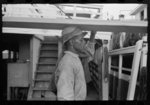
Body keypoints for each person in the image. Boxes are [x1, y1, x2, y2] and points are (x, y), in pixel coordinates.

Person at [53, 26, 96, 100]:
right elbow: (64, 96)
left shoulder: (74, 57)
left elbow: (89, 52)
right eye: (81, 40)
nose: (84, 42)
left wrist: (92, 35)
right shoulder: (68, 63)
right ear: (71, 42)